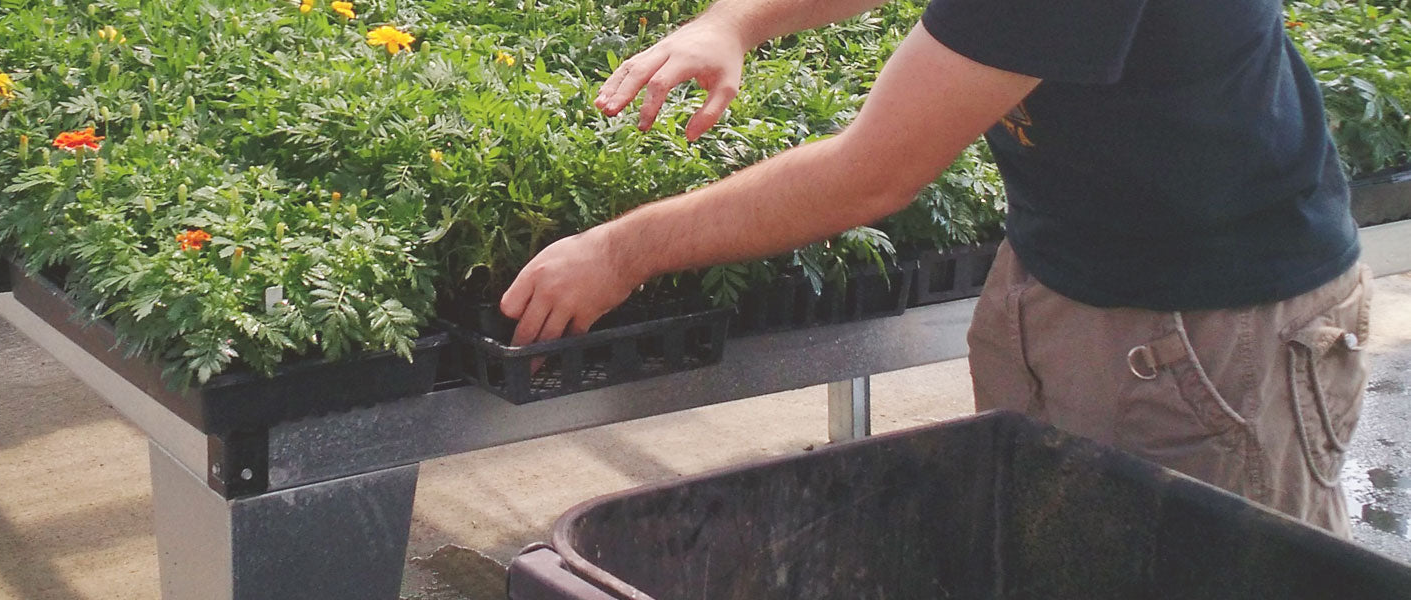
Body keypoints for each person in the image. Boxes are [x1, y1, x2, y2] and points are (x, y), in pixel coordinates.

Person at [501, 0, 1372, 535]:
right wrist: (736, 19)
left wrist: (620, 252)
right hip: (1070, 275)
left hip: (1215, 337)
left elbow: (871, 173)